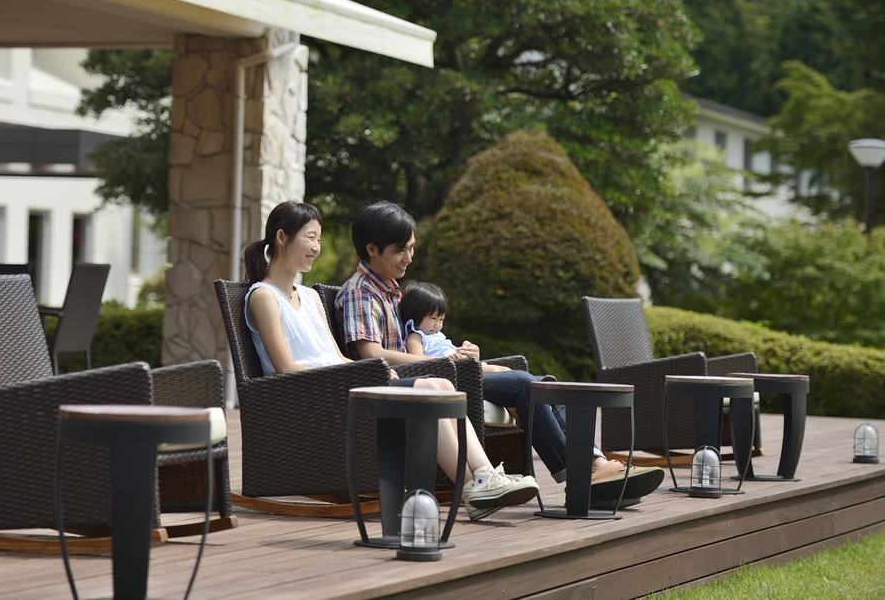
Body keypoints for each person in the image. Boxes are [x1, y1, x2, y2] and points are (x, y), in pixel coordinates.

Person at [334, 201, 664, 507]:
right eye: (399, 250)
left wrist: (461, 352)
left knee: (539, 383)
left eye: (411, 248)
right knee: (523, 384)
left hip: (438, 372)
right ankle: (584, 470)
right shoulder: (360, 293)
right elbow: (371, 353)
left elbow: (421, 337)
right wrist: (440, 361)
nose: (409, 257)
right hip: (420, 380)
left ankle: (592, 465)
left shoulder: (392, 291)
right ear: (372, 249)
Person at [242, 200, 539, 521]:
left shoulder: (311, 297)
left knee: (441, 384)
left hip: (343, 385)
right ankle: (474, 487)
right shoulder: (263, 296)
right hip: (312, 396)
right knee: (430, 385)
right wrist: (360, 375)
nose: (316, 247)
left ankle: (480, 479)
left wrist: (369, 372)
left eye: (319, 239)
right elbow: (286, 367)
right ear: (283, 237)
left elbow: (337, 356)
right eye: (310, 238)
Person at [400, 281, 510, 373]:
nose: (437, 324)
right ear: (415, 315)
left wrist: (463, 350)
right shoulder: (415, 336)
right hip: (451, 371)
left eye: (441, 319)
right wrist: (447, 360)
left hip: (461, 365)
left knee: (506, 371)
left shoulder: (438, 335)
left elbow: (451, 349)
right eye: (433, 318)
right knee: (500, 371)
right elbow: (418, 361)